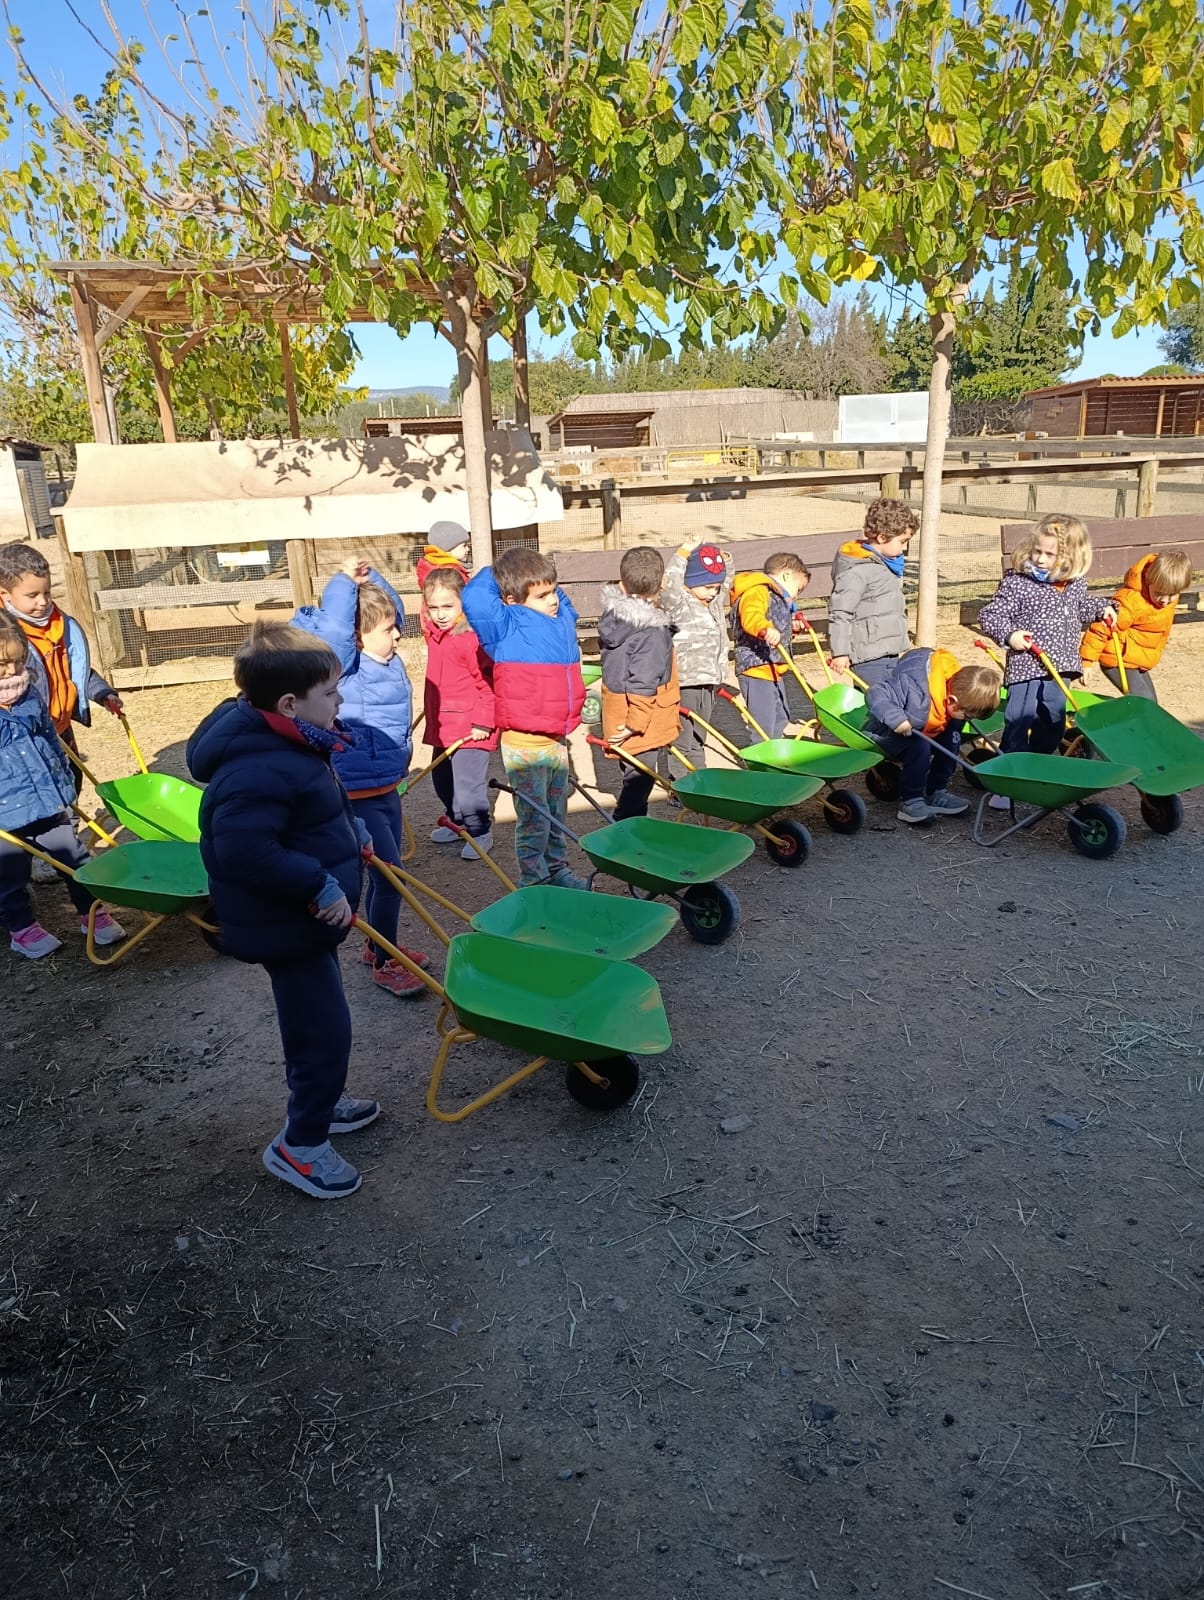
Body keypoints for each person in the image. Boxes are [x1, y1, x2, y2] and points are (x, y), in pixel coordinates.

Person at [187, 622, 382, 1201]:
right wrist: (318, 882)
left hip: (302, 921)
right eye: (331, 692)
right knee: (323, 1032)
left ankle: (322, 1102)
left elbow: (310, 809)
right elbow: (242, 848)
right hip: (286, 920)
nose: (341, 700)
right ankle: (301, 1145)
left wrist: (350, 830)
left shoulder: (289, 737)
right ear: (290, 703)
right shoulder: (259, 763)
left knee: (316, 1022)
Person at [292, 559, 431, 998]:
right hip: (358, 795)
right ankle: (386, 962)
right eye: (388, 630)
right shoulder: (344, 665)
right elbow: (333, 633)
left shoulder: (385, 656)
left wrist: (370, 580)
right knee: (391, 878)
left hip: (386, 786)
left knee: (388, 876)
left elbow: (392, 611)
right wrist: (343, 584)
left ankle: (377, 948)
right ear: (357, 636)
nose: (398, 635)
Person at [0, 614, 126, 957]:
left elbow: (51, 739)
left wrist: (63, 780)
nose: (11, 672)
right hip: (6, 815)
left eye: (17, 661)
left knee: (76, 859)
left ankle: (92, 913)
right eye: (2, 665)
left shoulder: (28, 695)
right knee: (10, 876)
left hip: (46, 803)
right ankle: (22, 929)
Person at [462, 547, 588, 890]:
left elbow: (557, 596)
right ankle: (534, 882)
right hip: (524, 744)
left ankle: (557, 870)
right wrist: (502, 568)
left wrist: (540, 574)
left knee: (556, 812)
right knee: (535, 818)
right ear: (512, 599)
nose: (553, 600)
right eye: (542, 596)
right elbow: (475, 598)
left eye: (554, 591)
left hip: (556, 739)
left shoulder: (561, 619)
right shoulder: (507, 626)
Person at [978, 515, 1115, 807]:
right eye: (1037, 551)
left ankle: (1035, 767)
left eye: (1049, 554)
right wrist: (1010, 634)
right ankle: (1009, 782)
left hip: (1060, 668)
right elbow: (990, 615)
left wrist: (1103, 608)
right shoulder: (1018, 583)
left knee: (1053, 722)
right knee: (1019, 721)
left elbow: (1081, 607)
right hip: (1026, 667)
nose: (1040, 559)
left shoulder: (1074, 584)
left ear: (1071, 558)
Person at [0, 541, 123, 778]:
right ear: (5, 594)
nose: (43, 601)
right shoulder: (7, 637)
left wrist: (101, 692)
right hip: (31, 732)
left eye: (47, 592)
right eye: (32, 595)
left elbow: (75, 669)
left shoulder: (60, 625)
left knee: (72, 779)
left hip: (61, 724)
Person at [864, 648, 1001, 825]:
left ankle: (935, 791)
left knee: (953, 736)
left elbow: (951, 720)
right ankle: (911, 801)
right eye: (967, 716)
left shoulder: (954, 688)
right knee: (919, 746)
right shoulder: (912, 687)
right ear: (952, 701)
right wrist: (897, 719)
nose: (968, 720)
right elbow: (875, 693)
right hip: (889, 732)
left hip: (926, 728)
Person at [597, 546, 681, 821]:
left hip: (617, 706)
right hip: (640, 718)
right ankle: (624, 827)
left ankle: (635, 823)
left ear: (622, 585)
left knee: (633, 769)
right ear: (663, 582)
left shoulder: (616, 618)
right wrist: (636, 724)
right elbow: (643, 681)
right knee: (641, 777)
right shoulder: (652, 631)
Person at [421, 566, 498, 858]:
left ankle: (479, 831)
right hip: (444, 725)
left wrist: (483, 722)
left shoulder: (469, 639)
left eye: (448, 606)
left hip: (471, 728)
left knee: (468, 787)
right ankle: (457, 822)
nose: (440, 614)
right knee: (442, 780)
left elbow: (488, 684)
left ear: (462, 603)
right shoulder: (435, 636)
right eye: (433, 607)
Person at [1081, 548, 1193, 703]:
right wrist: (1086, 661)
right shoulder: (1131, 602)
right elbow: (1102, 627)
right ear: (1148, 579)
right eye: (1159, 593)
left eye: (1172, 595)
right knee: (1144, 703)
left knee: (1151, 704)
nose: (1165, 601)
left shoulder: (1167, 592)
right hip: (1117, 659)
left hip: (1137, 659)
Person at [828, 498, 918, 688]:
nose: (904, 548)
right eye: (902, 542)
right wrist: (840, 652)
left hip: (887, 651)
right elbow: (840, 613)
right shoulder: (857, 571)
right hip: (869, 656)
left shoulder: (884, 564)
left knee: (886, 699)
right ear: (882, 537)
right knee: (877, 701)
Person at [660, 540, 732, 777]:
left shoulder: (714, 604)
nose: (713, 592)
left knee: (699, 736)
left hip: (709, 682)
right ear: (689, 582)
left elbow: (726, 582)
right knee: (682, 737)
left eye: (716, 588)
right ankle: (679, 782)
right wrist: (682, 555)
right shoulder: (678, 604)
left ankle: (700, 778)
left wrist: (725, 559)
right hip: (685, 683)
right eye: (709, 587)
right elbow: (670, 584)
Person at [729, 552, 811, 741]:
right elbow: (752, 615)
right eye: (798, 589)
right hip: (756, 667)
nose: (796, 596)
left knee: (781, 716)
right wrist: (764, 628)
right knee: (763, 722)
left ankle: (775, 749)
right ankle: (760, 754)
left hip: (772, 668)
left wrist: (792, 629)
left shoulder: (776, 598)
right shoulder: (757, 591)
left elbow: (777, 631)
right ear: (787, 575)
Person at [416, 520, 472, 591]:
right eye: (464, 545)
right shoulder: (448, 575)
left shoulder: (438, 568)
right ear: (448, 548)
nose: (468, 549)